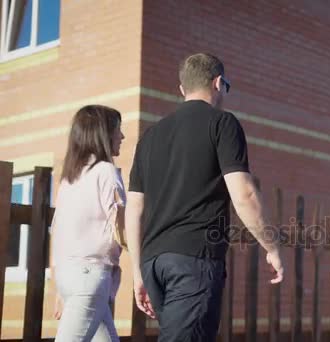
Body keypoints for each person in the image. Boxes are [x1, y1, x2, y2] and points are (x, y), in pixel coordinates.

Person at [125, 53, 284, 341]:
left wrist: (138, 271)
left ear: (182, 89)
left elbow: (134, 209)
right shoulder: (222, 124)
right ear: (219, 83)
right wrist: (271, 246)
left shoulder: (149, 136)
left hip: (153, 265)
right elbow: (244, 193)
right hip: (193, 261)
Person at [51, 105, 125, 341]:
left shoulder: (71, 178)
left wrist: (60, 289)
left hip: (69, 277)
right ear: (102, 134)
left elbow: (60, 233)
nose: (122, 136)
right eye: (118, 130)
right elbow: (122, 230)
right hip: (88, 279)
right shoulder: (106, 172)